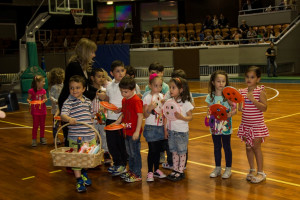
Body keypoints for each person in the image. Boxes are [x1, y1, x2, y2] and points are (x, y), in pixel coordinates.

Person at [58, 38, 98, 147]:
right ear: (85, 52)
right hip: (71, 102)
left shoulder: (84, 67)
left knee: (82, 131)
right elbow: (79, 89)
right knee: (72, 133)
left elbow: (87, 86)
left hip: (79, 101)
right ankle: (73, 158)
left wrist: (97, 91)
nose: (94, 55)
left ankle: (83, 157)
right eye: (92, 52)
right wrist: (97, 94)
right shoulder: (74, 66)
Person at [61, 75, 95, 193]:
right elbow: (63, 115)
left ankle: (84, 173)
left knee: (86, 158)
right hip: (76, 137)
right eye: (72, 88)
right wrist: (69, 119)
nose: (74, 90)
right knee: (76, 159)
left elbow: (91, 116)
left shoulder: (87, 101)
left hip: (89, 136)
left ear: (84, 89)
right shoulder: (68, 102)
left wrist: (96, 118)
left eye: (77, 88)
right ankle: (79, 179)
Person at [237, 66, 269, 184]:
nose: (249, 79)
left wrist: (253, 100)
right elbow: (241, 109)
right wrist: (233, 103)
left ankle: (261, 172)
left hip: (257, 126)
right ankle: (252, 169)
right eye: (247, 77)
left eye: (252, 77)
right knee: (248, 147)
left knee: (256, 148)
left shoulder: (260, 91)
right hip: (245, 125)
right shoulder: (242, 92)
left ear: (258, 79)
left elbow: (264, 108)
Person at [111, 76, 143, 182]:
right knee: (129, 153)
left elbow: (140, 116)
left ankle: (137, 174)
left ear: (133, 90)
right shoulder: (125, 100)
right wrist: (116, 123)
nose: (123, 94)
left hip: (134, 132)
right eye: (121, 91)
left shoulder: (136, 100)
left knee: (135, 153)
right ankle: (132, 171)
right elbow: (124, 114)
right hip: (126, 131)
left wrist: (137, 131)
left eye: (125, 92)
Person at [205, 70, 236, 179]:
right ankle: (218, 168)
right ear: (213, 82)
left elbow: (234, 110)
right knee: (217, 147)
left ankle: (228, 169)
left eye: (223, 81)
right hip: (215, 127)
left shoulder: (228, 97)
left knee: (227, 147)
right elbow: (208, 110)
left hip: (226, 126)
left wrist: (231, 113)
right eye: (218, 81)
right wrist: (208, 116)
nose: (221, 83)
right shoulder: (211, 97)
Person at [162, 69, 195, 171]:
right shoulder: (169, 101)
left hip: (181, 132)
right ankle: (175, 169)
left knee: (182, 152)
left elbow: (190, 117)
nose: (170, 90)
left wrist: (182, 117)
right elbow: (167, 116)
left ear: (181, 90)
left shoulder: (185, 102)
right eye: (170, 87)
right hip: (172, 131)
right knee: (174, 151)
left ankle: (180, 170)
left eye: (173, 88)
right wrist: (166, 129)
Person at [105, 60, 128, 176]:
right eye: (117, 71)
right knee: (111, 143)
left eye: (122, 70)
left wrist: (121, 110)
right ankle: (117, 163)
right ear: (111, 73)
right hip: (110, 118)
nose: (120, 73)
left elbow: (131, 102)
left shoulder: (128, 84)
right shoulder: (109, 86)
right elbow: (108, 101)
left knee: (121, 143)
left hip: (122, 118)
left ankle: (122, 164)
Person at [143, 74, 167, 182]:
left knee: (157, 151)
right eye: (155, 85)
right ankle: (149, 171)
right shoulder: (147, 97)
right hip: (151, 128)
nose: (158, 88)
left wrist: (165, 105)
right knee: (152, 150)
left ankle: (156, 169)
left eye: (160, 85)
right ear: (150, 85)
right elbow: (145, 115)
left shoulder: (162, 97)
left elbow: (165, 112)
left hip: (160, 127)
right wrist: (150, 108)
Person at [89, 68, 112, 164]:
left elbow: (108, 102)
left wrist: (104, 106)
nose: (101, 79)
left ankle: (106, 153)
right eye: (99, 76)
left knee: (104, 136)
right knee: (93, 137)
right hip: (92, 118)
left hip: (102, 118)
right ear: (92, 78)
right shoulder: (89, 91)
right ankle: (94, 156)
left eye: (103, 76)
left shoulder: (105, 90)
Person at [27, 75, 47, 147]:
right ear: (38, 83)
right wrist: (29, 101)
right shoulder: (31, 91)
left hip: (43, 110)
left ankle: (42, 138)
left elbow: (45, 98)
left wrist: (44, 100)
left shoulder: (43, 91)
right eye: (43, 82)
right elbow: (28, 99)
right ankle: (34, 139)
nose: (44, 83)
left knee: (42, 125)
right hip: (35, 111)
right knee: (35, 125)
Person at [49, 67, 65, 145]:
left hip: (63, 109)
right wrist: (56, 101)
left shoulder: (64, 86)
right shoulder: (54, 87)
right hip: (55, 110)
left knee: (64, 124)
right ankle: (56, 138)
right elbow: (51, 97)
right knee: (56, 125)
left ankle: (65, 137)